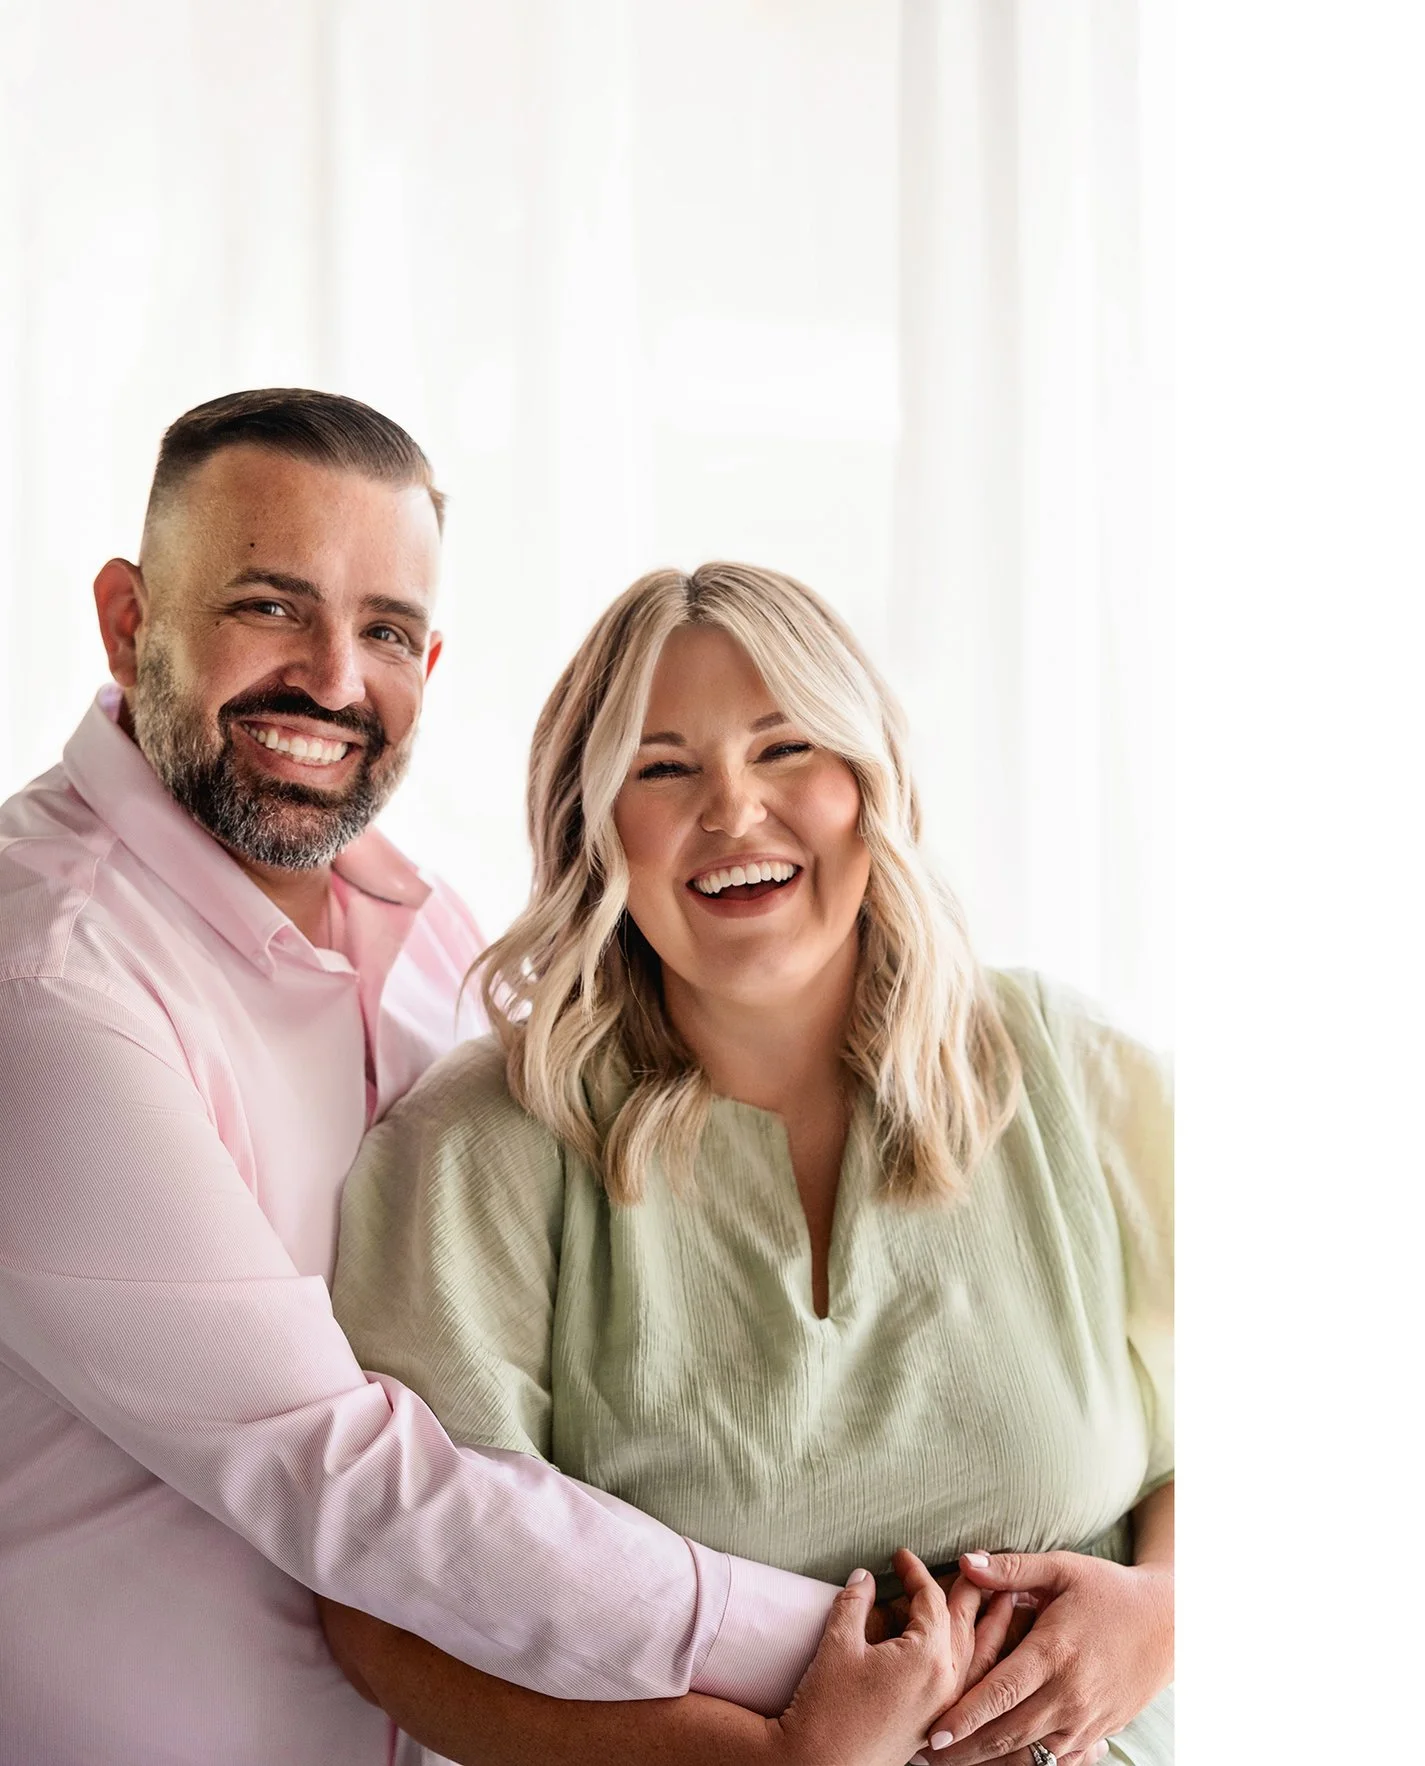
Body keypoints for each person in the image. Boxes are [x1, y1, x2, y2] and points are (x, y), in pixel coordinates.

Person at [0, 392, 897, 1763]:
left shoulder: (435, 933)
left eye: (385, 632)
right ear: (129, 620)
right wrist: (858, 1640)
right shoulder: (50, 988)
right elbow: (351, 1479)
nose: (336, 682)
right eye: (269, 607)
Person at [321, 562, 1177, 1766]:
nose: (734, 811)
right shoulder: (486, 1145)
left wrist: (1167, 1607)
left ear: (868, 781)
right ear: (593, 822)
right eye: (663, 768)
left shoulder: (1067, 1068)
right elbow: (386, 1614)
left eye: (785, 749)